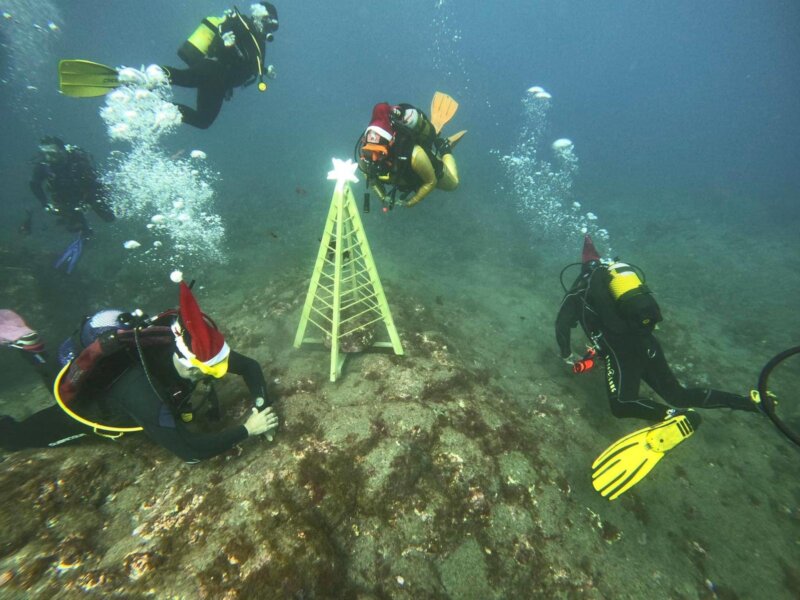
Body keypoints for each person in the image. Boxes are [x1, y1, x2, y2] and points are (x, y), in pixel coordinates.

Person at [555, 235, 761, 499]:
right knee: (679, 393)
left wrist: (566, 354)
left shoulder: (577, 293)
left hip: (622, 351)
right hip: (648, 343)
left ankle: (675, 416)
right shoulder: (618, 282)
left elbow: (561, 325)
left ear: (582, 270)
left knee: (622, 404)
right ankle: (750, 403)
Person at [0, 281, 278, 462]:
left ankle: (33, 349)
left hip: (134, 381)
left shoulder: (191, 344)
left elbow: (250, 367)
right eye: (210, 370)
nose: (216, 374)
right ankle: (32, 350)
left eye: (220, 367)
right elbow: (190, 451)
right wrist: (248, 429)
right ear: (186, 360)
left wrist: (260, 405)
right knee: (16, 439)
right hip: (93, 405)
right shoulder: (142, 391)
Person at [162, 2, 279, 129]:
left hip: (221, 84)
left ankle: (164, 110)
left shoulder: (259, 44)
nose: (269, 31)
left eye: (272, 29)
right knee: (184, 78)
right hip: (213, 68)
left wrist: (266, 71)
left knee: (203, 120)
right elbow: (225, 26)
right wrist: (225, 37)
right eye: (268, 26)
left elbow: (250, 64)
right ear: (260, 17)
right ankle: (157, 73)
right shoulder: (242, 22)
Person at [356, 92, 465, 210]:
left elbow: (431, 182)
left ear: (391, 143)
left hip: (421, 169)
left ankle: (444, 148)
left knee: (454, 184)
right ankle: (435, 137)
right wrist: (383, 197)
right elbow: (371, 178)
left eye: (380, 153)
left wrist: (411, 202)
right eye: (369, 152)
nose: (374, 159)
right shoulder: (365, 158)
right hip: (404, 178)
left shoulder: (415, 154)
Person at [29, 137, 116, 273]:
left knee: (109, 217)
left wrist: (86, 202)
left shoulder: (77, 161)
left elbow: (93, 184)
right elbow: (34, 184)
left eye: (52, 154)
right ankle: (83, 238)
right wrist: (45, 204)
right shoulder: (43, 165)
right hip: (65, 196)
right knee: (76, 227)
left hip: (87, 190)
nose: (48, 158)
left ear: (62, 151)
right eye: (45, 154)